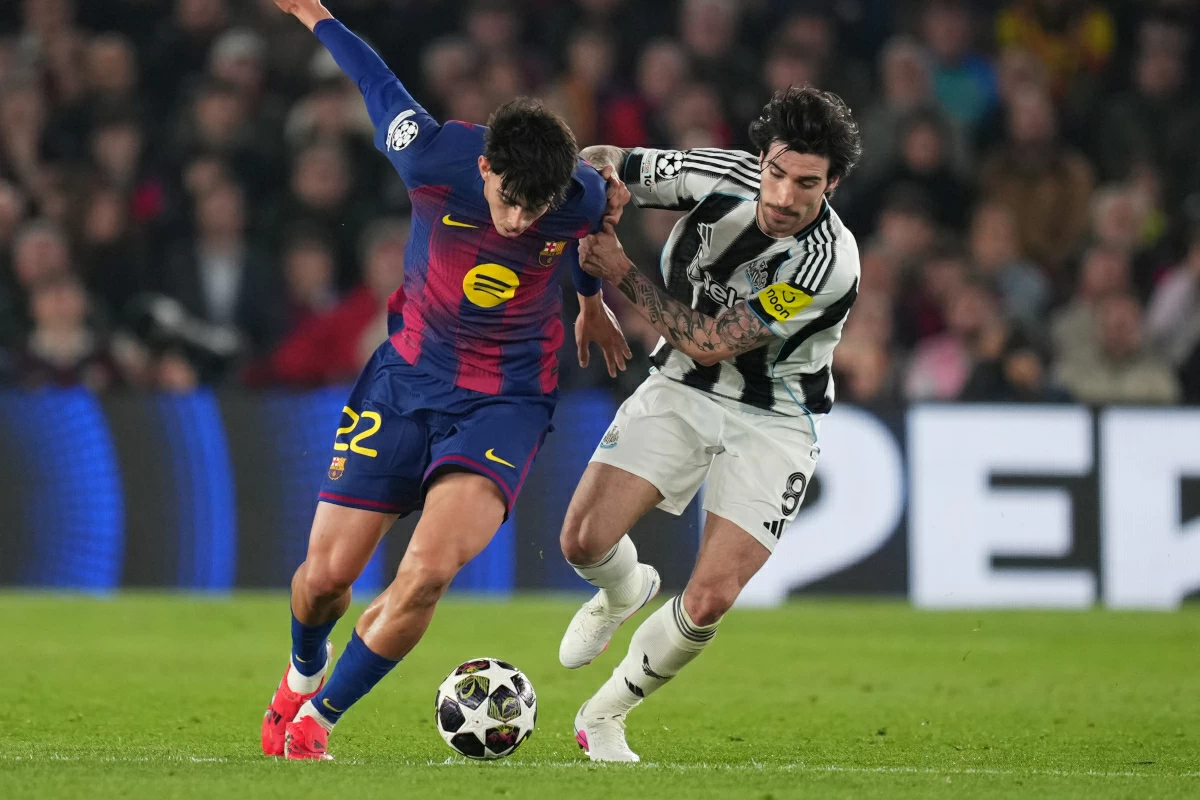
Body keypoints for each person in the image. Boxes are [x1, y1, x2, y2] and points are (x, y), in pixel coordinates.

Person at [261, 0, 630, 761]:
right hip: (404, 384)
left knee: (426, 573)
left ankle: (316, 723)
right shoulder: (430, 157)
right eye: (508, 200)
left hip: (506, 404)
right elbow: (375, 80)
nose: (520, 221)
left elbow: (591, 229)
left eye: (536, 207)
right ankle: (303, 670)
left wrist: (591, 303)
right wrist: (311, 11)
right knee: (325, 580)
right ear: (485, 168)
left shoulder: (579, 194)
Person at [559, 86, 863, 762]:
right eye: (777, 173)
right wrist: (603, 187)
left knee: (711, 598)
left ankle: (604, 715)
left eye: (807, 184)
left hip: (775, 415)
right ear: (762, 160)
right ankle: (624, 590)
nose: (784, 196)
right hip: (680, 387)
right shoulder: (719, 173)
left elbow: (710, 340)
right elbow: (600, 158)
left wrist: (620, 274)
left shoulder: (826, 263)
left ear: (832, 185)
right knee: (582, 540)